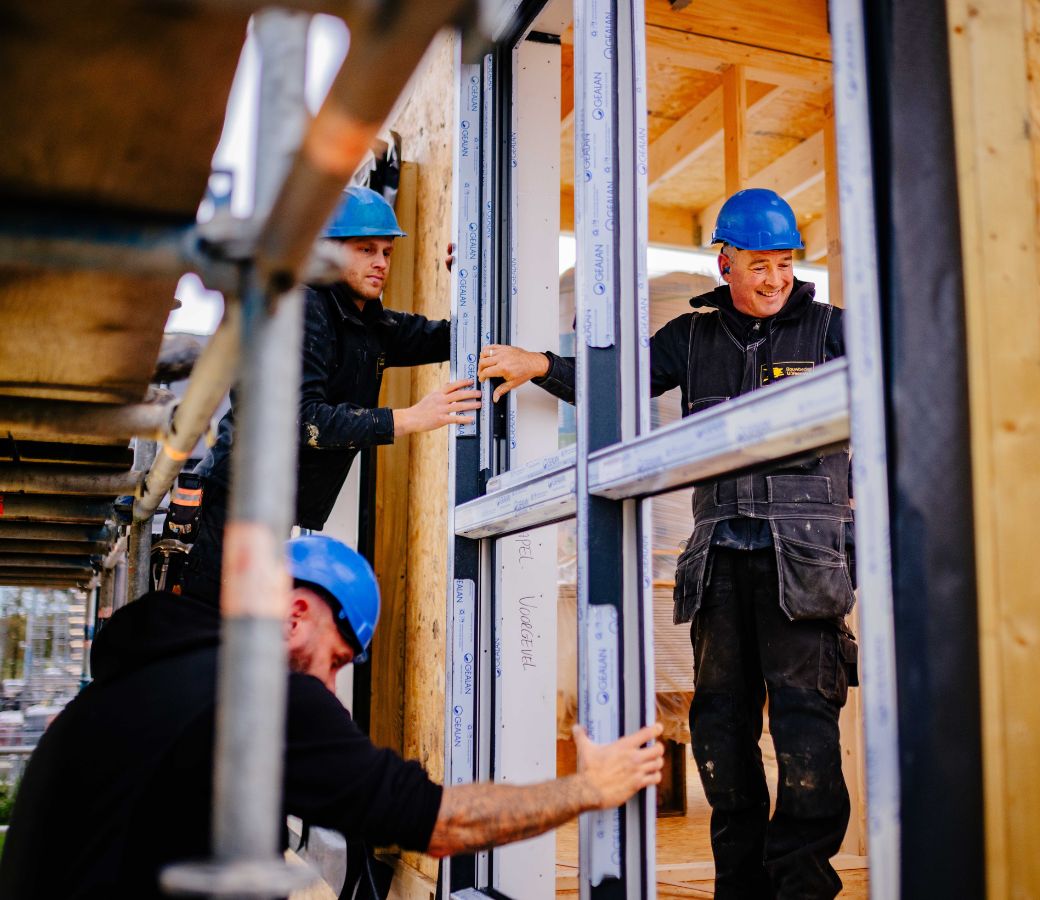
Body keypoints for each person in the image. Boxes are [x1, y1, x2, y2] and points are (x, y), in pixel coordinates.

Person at [478, 188, 858, 899]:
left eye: (784, 264)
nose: (774, 279)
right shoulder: (692, 338)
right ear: (725, 262)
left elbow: (884, 424)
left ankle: (802, 890)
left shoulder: (834, 332)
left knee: (809, 740)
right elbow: (615, 388)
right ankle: (738, 890)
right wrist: (540, 364)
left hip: (804, 567)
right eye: (758, 265)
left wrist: (859, 540)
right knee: (720, 736)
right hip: (719, 564)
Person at [0, 534, 664, 899]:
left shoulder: (144, 674)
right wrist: (590, 787)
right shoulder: (262, 689)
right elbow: (440, 824)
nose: (329, 683)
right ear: (295, 615)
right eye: (337, 659)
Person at [182, 186, 481, 602]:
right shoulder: (298, 307)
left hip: (265, 511)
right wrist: (411, 416)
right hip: (230, 509)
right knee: (208, 641)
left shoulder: (366, 323)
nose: (380, 263)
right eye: (365, 250)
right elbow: (304, 420)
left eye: (386, 252)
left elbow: (451, 339)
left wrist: (470, 280)